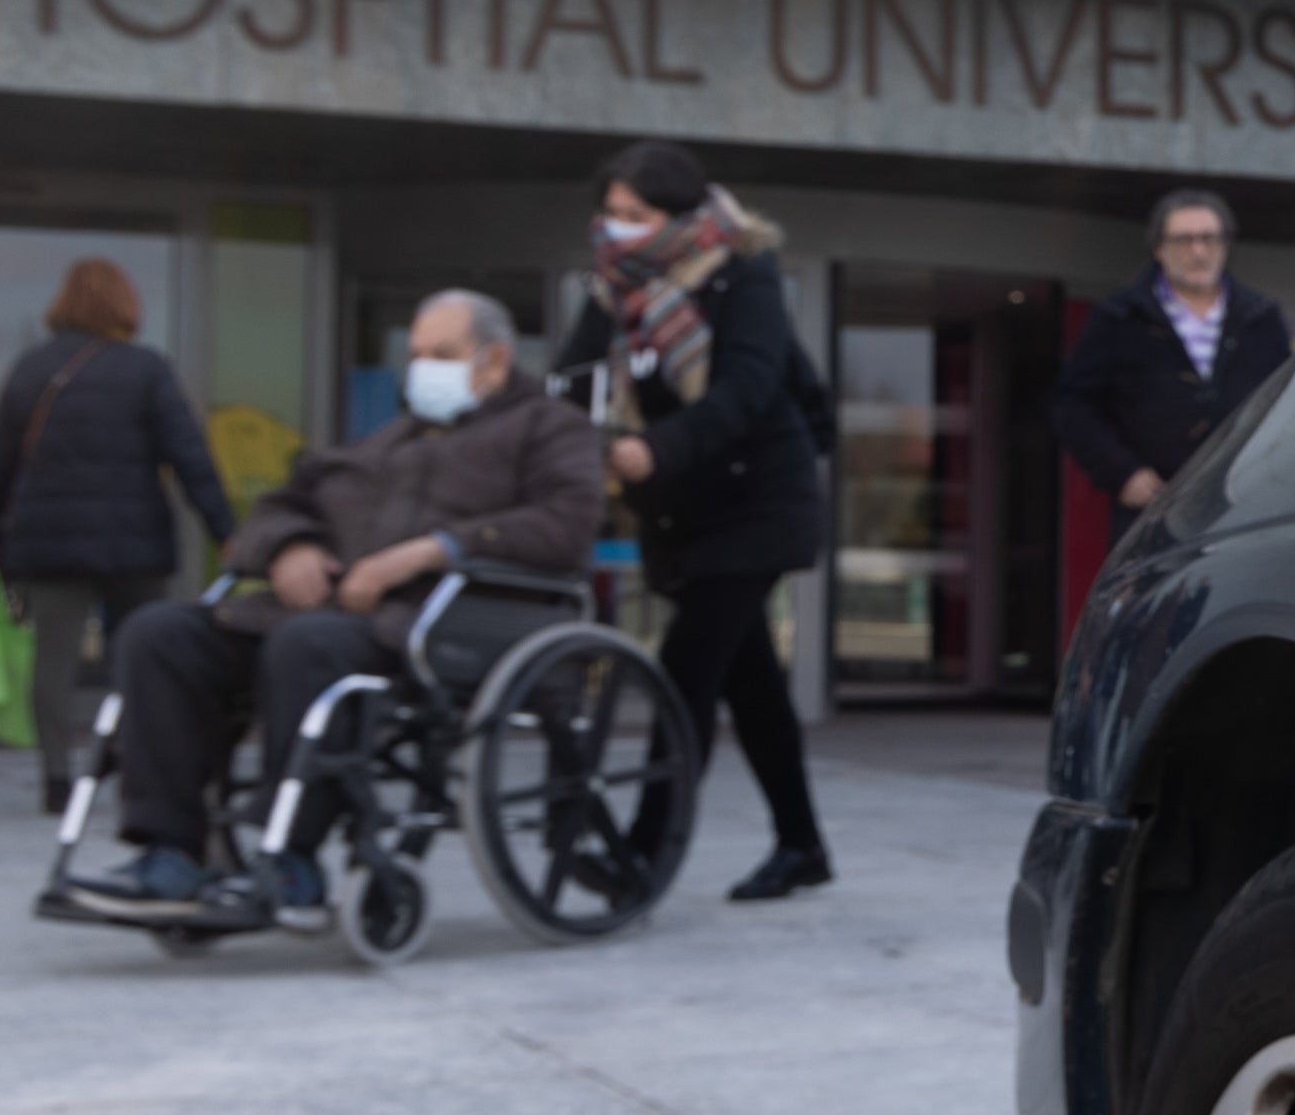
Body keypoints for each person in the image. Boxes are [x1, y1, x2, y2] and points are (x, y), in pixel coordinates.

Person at [88, 290, 599, 919]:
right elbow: (279, 506)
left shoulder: (550, 428)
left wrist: (425, 553)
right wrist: (290, 547)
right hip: (328, 612)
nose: (423, 370)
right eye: (416, 356)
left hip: (439, 624)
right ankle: (169, 852)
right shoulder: (385, 440)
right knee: (159, 633)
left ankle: (293, 861)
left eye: (442, 354)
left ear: (494, 362)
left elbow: (567, 525)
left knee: (308, 646)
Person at [553, 140, 835, 903]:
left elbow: (745, 389)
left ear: (678, 217)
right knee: (753, 688)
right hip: (686, 514)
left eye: (633, 216)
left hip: (757, 504)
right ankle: (802, 845)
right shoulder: (617, 289)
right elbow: (575, 380)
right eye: (609, 213)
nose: (614, 229)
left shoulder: (743, 272)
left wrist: (656, 449)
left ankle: (643, 856)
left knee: (684, 674)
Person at [0, 258, 239, 815]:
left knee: (54, 659)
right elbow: (191, 459)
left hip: (49, 543)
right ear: (126, 306)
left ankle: (56, 778)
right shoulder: (147, 370)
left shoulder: (30, 369)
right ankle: (141, 763)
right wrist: (226, 532)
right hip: (133, 542)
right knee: (145, 653)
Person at [1053, 188, 1294, 513]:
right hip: (1150, 511)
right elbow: (1073, 406)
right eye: (1183, 240)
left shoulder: (1261, 317)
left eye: (1209, 238)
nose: (1198, 251)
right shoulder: (1119, 317)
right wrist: (1122, 473)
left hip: (1241, 504)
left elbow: (1288, 403)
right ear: (1158, 248)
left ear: (1225, 245)